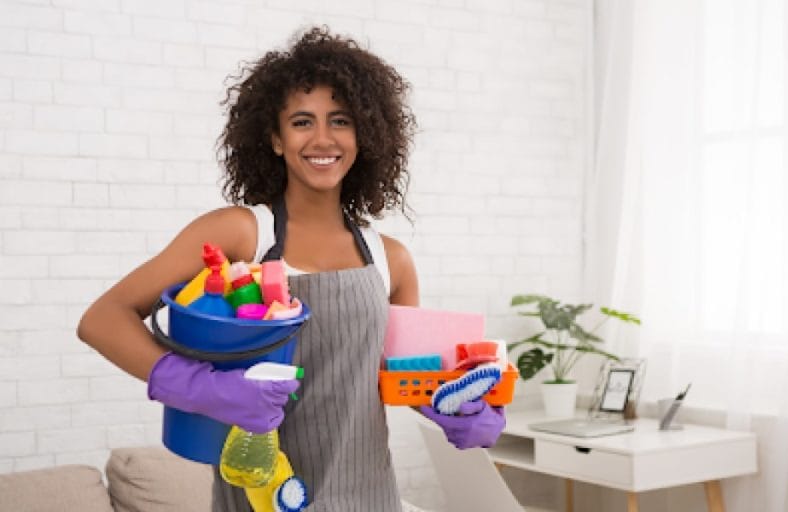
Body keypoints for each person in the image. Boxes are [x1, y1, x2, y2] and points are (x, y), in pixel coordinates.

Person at [77, 26, 505, 512]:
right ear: (276, 139)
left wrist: (458, 407)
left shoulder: (391, 259)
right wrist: (201, 389)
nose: (323, 138)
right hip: (262, 500)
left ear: (363, 134)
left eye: (339, 120)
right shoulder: (242, 234)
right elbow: (102, 319)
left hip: (371, 499)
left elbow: (404, 377)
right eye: (302, 122)